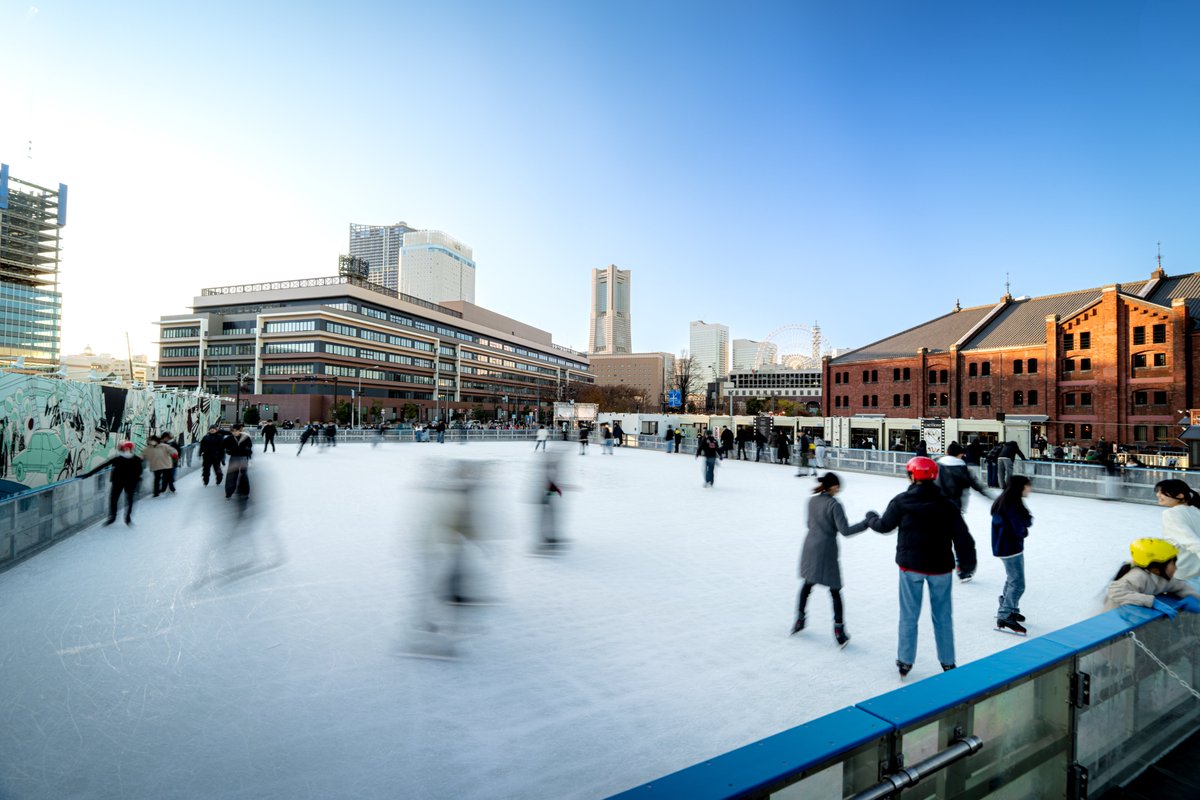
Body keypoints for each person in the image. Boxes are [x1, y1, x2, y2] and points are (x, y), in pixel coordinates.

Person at [865, 456, 977, 676]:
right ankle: (948, 661)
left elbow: (884, 526)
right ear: (934, 476)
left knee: (909, 615)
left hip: (911, 568)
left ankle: (905, 661)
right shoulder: (948, 505)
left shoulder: (901, 501)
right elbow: (963, 538)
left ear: (911, 475)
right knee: (943, 616)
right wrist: (967, 565)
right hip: (941, 569)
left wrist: (870, 518)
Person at [792, 472, 870, 646]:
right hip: (826, 549)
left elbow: (809, 524)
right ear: (832, 486)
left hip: (810, 546)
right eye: (838, 485)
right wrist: (867, 523)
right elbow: (846, 531)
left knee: (807, 584)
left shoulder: (811, 501)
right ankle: (839, 629)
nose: (839, 489)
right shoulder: (834, 504)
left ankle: (799, 618)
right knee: (835, 589)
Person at [935, 441, 990, 582]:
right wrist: (992, 497)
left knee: (939, 539)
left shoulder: (936, 464)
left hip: (934, 508)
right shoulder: (963, 469)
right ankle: (964, 570)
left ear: (947, 452)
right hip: (953, 510)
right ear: (960, 454)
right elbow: (977, 486)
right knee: (963, 542)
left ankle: (935, 565)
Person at [1104, 538, 1200, 612]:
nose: (1176, 567)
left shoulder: (1164, 577)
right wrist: (1151, 601)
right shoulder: (1138, 576)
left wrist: (1195, 598)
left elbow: (1180, 587)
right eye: (1173, 564)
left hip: (1133, 614)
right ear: (1156, 569)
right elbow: (1115, 592)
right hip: (1115, 615)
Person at [991, 475, 1033, 634]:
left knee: (1012, 578)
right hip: (1010, 548)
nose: (1030, 489)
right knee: (1018, 583)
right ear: (1020, 487)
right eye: (1028, 486)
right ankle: (1005, 614)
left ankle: (1010, 607)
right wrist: (1024, 529)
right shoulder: (1012, 505)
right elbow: (1020, 525)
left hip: (1006, 547)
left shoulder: (1008, 501)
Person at [79, 440, 143, 526]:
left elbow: (139, 471)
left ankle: (123, 517)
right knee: (118, 500)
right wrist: (88, 474)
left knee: (124, 500)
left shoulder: (131, 459)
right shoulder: (124, 459)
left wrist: (88, 474)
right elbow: (103, 466)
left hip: (126, 483)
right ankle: (116, 517)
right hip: (120, 483)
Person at [1155, 479, 1200, 585]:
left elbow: (1191, 541)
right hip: (1195, 572)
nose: (1158, 495)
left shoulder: (1171, 514)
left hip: (1181, 575)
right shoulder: (1196, 511)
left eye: (1162, 492)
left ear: (1180, 496)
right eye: (1158, 491)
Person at [224, 423, 254, 499]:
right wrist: (227, 450)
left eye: (236, 431)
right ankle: (229, 493)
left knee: (244, 475)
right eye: (232, 431)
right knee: (231, 475)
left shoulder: (245, 437)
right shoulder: (229, 438)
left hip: (243, 457)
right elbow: (222, 445)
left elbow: (249, 446)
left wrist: (247, 450)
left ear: (239, 431)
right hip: (234, 457)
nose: (234, 432)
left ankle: (245, 492)